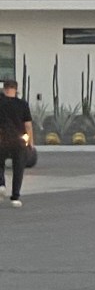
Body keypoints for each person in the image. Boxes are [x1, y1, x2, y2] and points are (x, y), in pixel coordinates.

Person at [0, 77, 34, 206]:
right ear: (16, 89)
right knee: (18, 168)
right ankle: (15, 197)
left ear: (4, 89)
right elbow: (28, 125)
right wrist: (31, 142)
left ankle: (1, 184)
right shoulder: (23, 104)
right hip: (19, 140)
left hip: (2, 139)